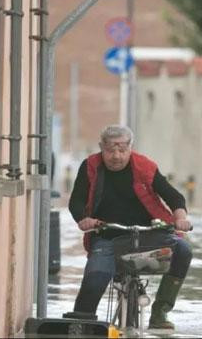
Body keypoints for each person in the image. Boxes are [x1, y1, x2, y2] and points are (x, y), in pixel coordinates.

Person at [68, 124, 193, 330]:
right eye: (110, 150)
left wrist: (180, 218)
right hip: (107, 236)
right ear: (101, 148)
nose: (116, 156)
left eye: (122, 150)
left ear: (130, 148)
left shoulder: (145, 166)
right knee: (93, 280)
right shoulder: (90, 166)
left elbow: (174, 197)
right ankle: (81, 324)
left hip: (148, 235)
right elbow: (77, 201)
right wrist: (84, 219)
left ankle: (160, 311)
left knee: (183, 250)